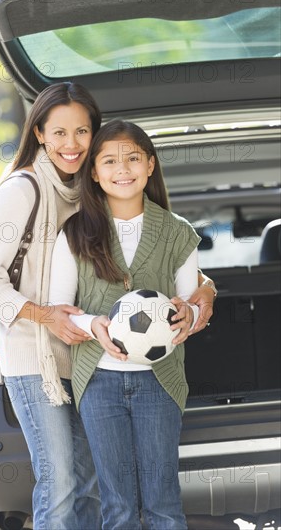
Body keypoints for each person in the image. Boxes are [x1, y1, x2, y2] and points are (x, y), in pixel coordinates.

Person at [0, 82, 215, 528]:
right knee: (61, 482)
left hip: (81, 356)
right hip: (35, 356)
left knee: (86, 485)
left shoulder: (84, 193)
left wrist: (206, 290)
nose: (71, 143)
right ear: (39, 133)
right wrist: (46, 316)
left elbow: (159, 262)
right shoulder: (23, 189)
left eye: (82, 131)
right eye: (59, 132)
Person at [49, 120, 205, 529]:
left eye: (133, 158)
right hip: (99, 382)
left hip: (160, 381)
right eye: (110, 160)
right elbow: (59, 308)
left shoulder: (176, 232)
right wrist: (93, 323)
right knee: (117, 505)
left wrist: (191, 314)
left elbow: (193, 303)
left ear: (150, 166)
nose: (123, 168)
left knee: (163, 503)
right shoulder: (75, 233)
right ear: (95, 173)